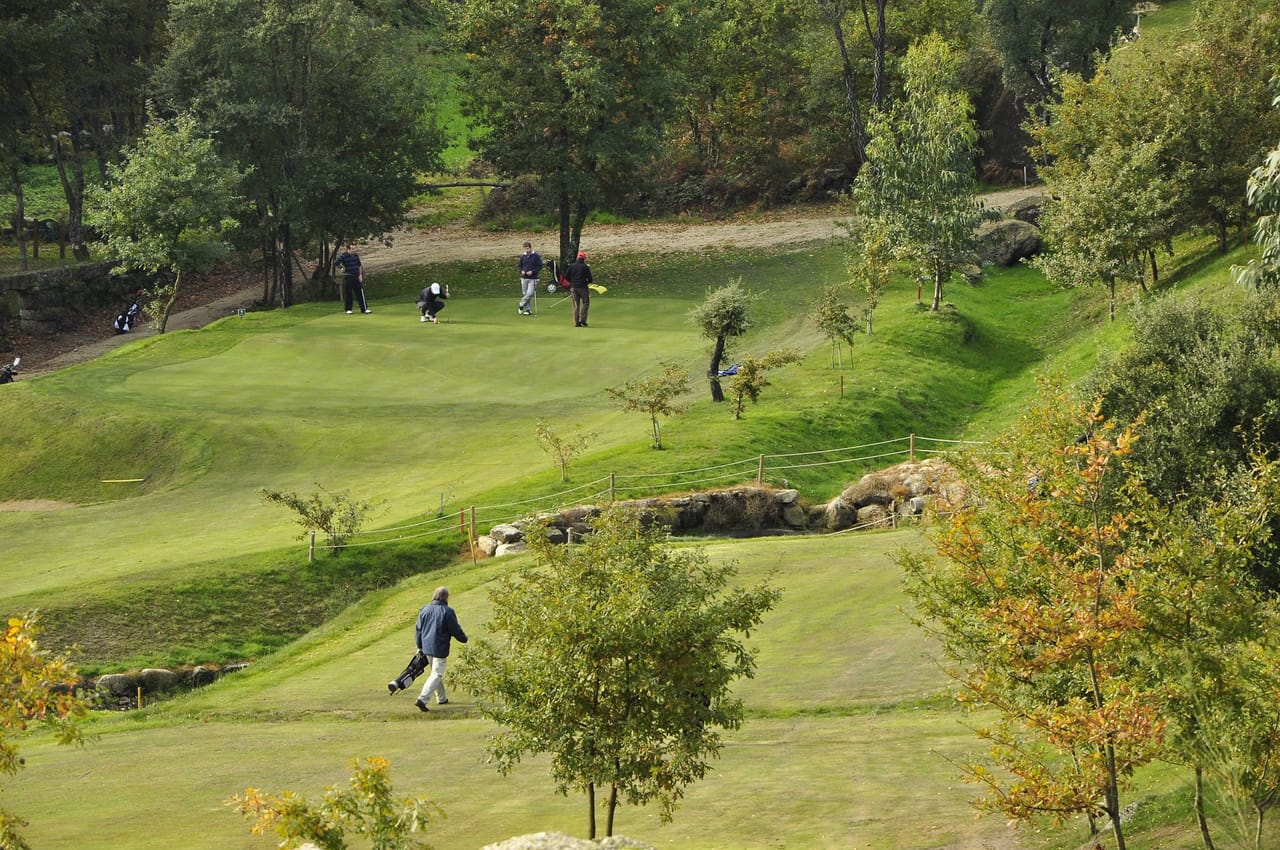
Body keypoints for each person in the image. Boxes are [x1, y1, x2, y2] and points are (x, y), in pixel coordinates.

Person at [411, 586, 468, 712]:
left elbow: (418, 630)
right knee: (437, 674)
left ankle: (441, 698)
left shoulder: (425, 609)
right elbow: (455, 629)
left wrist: (419, 646)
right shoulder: (447, 611)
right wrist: (464, 639)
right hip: (439, 647)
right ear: (446, 597)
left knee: (435, 672)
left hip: (427, 646)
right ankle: (422, 699)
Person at [333, 243, 371, 314]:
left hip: (356, 276)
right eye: (352, 249)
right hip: (348, 277)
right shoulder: (344, 256)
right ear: (348, 249)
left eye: (355, 248)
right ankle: (348, 309)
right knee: (348, 293)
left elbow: (359, 265)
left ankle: (364, 309)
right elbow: (336, 262)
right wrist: (341, 268)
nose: (354, 250)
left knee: (360, 293)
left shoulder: (356, 256)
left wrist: (360, 275)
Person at [565, 250, 593, 327]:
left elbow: (566, 276)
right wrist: (587, 282)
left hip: (573, 287)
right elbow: (590, 279)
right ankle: (583, 320)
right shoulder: (585, 267)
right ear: (584, 258)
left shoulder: (572, 266)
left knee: (576, 304)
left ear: (578, 257)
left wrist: (572, 282)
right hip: (583, 287)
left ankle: (576, 322)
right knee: (585, 302)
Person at [517, 241, 543, 316]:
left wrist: (532, 271)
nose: (527, 250)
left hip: (533, 278)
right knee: (525, 293)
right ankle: (528, 310)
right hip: (524, 278)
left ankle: (521, 304)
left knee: (529, 293)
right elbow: (519, 266)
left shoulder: (536, 256)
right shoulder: (523, 256)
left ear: (530, 248)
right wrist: (521, 271)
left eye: (528, 248)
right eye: (525, 249)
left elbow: (540, 266)